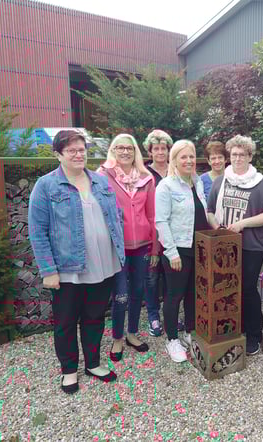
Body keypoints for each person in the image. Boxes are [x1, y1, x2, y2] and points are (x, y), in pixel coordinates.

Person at [28, 130, 123, 394]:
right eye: (71, 150)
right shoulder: (46, 186)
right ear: (58, 154)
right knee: (66, 322)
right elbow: (37, 230)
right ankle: (69, 370)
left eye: (82, 149)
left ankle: (93, 363)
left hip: (103, 264)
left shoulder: (100, 181)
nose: (78, 154)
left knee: (95, 317)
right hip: (68, 269)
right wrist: (48, 269)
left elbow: (115, 216)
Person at [207, 135, 263, 356]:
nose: (237, 158)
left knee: (247, 288)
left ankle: (254, 333)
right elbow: (209, 211)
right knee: (228, 289)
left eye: (242, 155)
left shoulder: (260, 183)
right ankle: (235, 327)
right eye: (234, 154)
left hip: (251, 245)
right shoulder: (221, 181)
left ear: (250, 156)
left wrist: (243, 224)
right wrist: (217, 227)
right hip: (225, 245)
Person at [97, 133, 158, 361]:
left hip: (142, 245)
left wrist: (155, 248)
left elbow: (152, 215)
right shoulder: (103, 176)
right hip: (117, 246)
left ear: (135, 152)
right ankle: (117, 338)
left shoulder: (146, 178)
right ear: (113, 150)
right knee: (120, 294)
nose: (125, 152)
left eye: (129, 148)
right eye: (120, 148)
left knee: (137, 292)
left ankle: (132, 333)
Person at [155, 139, 210, 363]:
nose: (189, 160)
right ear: (174, 160)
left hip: (198, 249)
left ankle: (189, 331)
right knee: (174, 295)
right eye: (183, 157)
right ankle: (172, 339)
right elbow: (161, 221)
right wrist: (171, 252)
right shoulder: (166, 186)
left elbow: (203, 214)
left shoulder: (197, 182)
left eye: (191, 156)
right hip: (178, 250)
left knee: (192, 294)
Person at [142, 129, 174, 336]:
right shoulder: (144, 173)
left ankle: (171, 314)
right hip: (152, 233)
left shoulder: (175, 169)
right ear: (150, 151)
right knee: (152, 278)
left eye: (164, 148)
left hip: (173, 231)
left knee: (172, 277)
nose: (160, 152)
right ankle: (153, 315)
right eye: (156, 149)